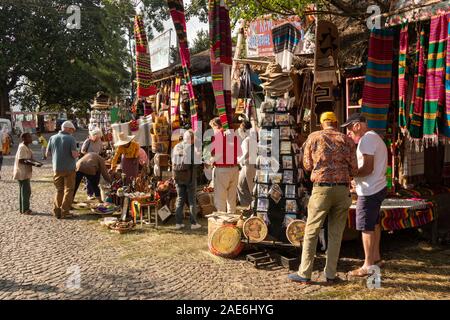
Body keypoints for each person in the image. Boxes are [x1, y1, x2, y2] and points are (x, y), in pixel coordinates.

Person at [288, 112, 357, 284]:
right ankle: (331, 274)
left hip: (321, 190)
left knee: (311, 231)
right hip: (342, 190)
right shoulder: (347, 140)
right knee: (336, 233)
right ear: (336, 122)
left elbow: (307, 165)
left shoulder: (314, 137)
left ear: (321, 124)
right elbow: (354, 168)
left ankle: (305, 273)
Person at [341, 113, 387, 277]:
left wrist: (351, 175)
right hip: (376, 187)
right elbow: (370, 170)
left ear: (357, 125)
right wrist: (358, 179)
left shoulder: (366, 140)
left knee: (366, 227)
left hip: (370, 190)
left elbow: (368, 168)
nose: (348, 133)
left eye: (349, 129)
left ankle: (368, 265)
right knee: (374, 224)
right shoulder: (373, 137)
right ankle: (376, 258)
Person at [46, 121, 79, 219]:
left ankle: (56, 211)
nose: (72, 132)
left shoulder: (52, 138)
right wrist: (78, 154)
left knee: (59, 190)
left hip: (57, 168)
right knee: (68, 190)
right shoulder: (71, 138)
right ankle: (65, 212)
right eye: (72, 130)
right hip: (69, 169)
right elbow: (74, 154)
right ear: (68, 128)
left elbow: (47, 154)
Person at [209, 117, 241, 214]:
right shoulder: (233, 134)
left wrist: (211, 161)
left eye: (212, 128)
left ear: (216, 126)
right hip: (234, 168)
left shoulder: (219, 134)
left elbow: (217, 154)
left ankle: (223, 223)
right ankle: (232, 221)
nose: (212, 130)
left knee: (220, 197)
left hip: (222, 169)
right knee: (231, 198)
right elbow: (239, 153)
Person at [172, 130, 202, 230]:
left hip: (178, 176)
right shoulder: (192, 148)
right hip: (190, 177)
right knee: (192, 201)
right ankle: (193, 223)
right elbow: (196, 164)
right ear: (192, 139)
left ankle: (178, 223)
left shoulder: (176, 147)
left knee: (180, 199)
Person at [13, 133, 42, 215]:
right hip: (22, 172)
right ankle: (26, 210)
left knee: (23, 191)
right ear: (23, 138)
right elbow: (22, 160)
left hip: (23, 172)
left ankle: (23, 209)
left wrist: (37, 162)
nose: (31, 138)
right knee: (26, 191)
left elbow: (28, 158)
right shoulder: (22, 147)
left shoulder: (25, 146)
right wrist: (35, 164)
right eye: (29, 137)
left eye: (30, 136)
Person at [237, 121, 256, 208]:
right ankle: (249, 206)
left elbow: (246, 153)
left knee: (248, 187)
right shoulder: (252, 138)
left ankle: (250, 206)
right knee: (242, 186)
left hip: (248, 165)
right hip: (249, 165)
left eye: (240, 130)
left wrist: (238, 160)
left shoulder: (247, 140)